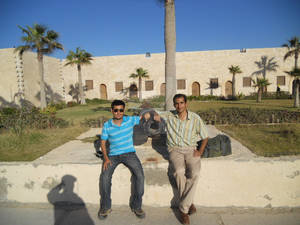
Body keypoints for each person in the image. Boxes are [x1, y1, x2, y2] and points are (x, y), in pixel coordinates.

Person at [153, 94, 208, 225]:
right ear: (174, 105)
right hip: (175, 149)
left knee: (195, 173)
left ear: (186, 103)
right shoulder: (169, 115)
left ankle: (183, 206)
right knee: (178, 172)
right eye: (176, 103)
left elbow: (205, 137)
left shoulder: (195, 118)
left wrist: (200, 151)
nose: (179, 106)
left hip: (191, 149)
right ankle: (186, 207)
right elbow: (154, 114)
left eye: (181, 103)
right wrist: (149, 115)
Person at [98, 100, 146, 220]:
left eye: (121, 110)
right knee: (105, 177)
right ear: (111, 110)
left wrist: (152, 114)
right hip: (113, 155)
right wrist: (106, 158)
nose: (118, 112)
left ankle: (137, 206)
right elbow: (103, 143)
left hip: (129, 154)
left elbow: (143, 117)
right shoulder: (107, 125)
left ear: (124, 110)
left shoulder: (129, 120)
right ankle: (105, 206)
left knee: (139, 175)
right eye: (116, 110)